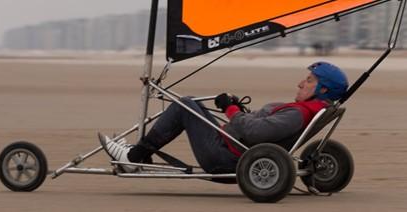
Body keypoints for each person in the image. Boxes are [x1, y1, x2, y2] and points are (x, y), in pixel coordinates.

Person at [99, 61, 349, 174]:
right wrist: (236, 110)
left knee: (184, 104)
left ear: (323, 89)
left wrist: (232, 109)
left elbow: (255, 133)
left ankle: (133, 158)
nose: (300, 83)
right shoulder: (311, 110)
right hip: (234, 147)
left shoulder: (297, 113)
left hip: (226, 157)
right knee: (193, 105)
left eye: (308, 80)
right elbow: (258, 129)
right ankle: (142, 154)